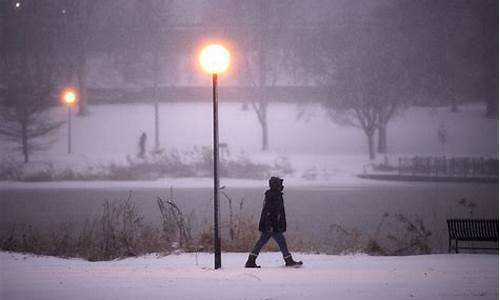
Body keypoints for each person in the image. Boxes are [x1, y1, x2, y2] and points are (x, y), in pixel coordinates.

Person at [245, 176, 303, 268]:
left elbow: (272, 211)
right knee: (280, 242)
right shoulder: (274, 195)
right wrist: (271, 225)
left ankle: (251, 261)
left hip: (271, 225)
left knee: (262, 243)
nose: (282, 185)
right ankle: (288, 261)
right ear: (275, 185)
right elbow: (270, 212)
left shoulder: (273, 195)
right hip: (272, 226)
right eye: (280, 184)